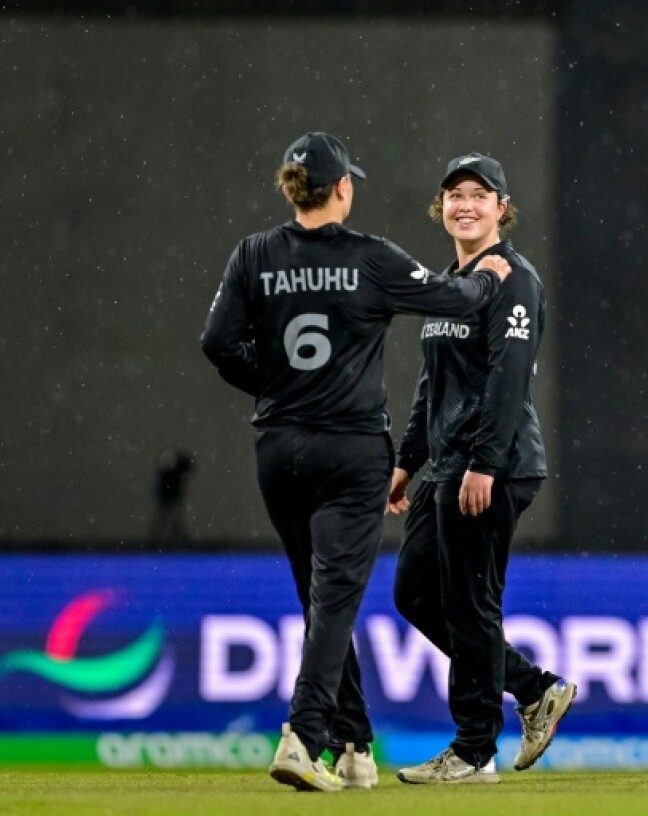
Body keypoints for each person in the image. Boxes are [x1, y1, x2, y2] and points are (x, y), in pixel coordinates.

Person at [200, 133, 510, 793]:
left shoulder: (254, 255)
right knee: (336, 599)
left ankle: (353, 742)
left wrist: (277, 386)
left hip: (279, 446)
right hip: (350, 449)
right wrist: (488, 275)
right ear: (341, 188)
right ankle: (303, 736)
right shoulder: (370, 259)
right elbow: (455, 301)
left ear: (292, 188)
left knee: (317, 598)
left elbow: (217, 342)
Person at [387, 153, 574, 785]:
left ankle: (472, 751)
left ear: (502, 208)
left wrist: (484, 462)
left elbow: (508, 377)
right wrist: (409, 460)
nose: (464, 204)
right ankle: (533, 687)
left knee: (470, 604)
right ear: (440, 208)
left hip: (492, 466)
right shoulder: (454, 281)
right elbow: (431, 383)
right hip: (446, 465)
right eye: (454, 195)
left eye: (479, 194)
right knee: (414, 593)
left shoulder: (513, 278)